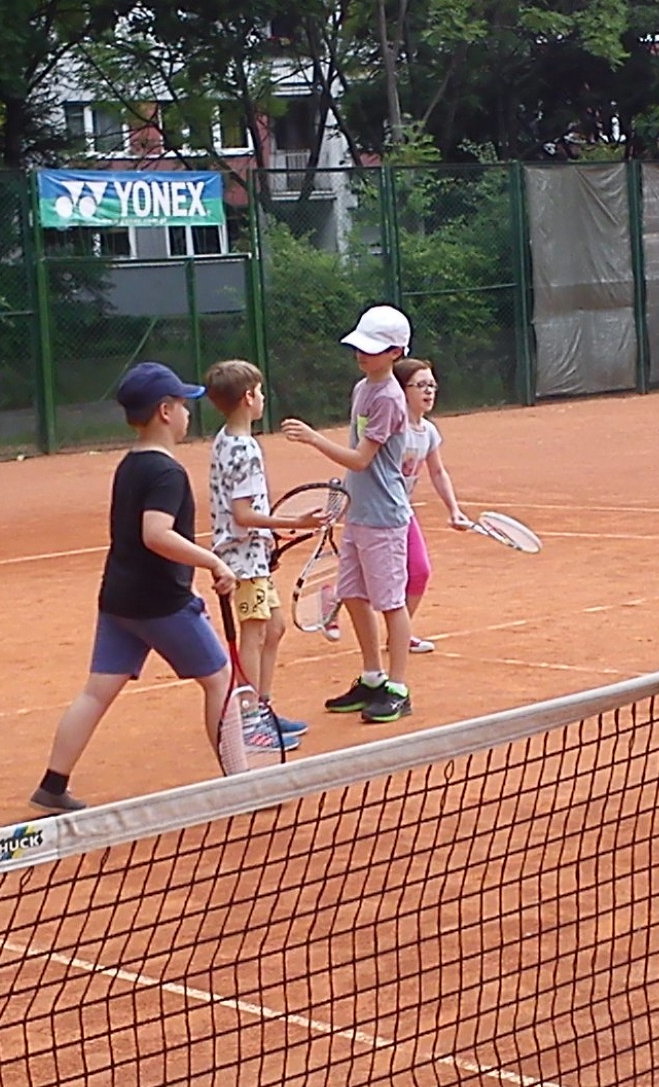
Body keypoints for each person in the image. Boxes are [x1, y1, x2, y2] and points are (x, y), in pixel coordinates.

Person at [31, 363, 245, 811]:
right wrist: (211, 561)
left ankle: (52, 785)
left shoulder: (129, 465)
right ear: (165, 411)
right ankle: (241, 784)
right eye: (182, 404)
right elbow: (156, 534)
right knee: (220, 681)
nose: (188, 412)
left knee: (96, 692)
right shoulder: (167, 473)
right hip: (160, 604)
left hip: (119, 599)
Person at [282, 304, 417, 723]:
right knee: (354, 596)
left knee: (390, 603)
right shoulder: (362, 388)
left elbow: (361, 458)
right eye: (360, 346)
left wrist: (313, 439)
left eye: (372, 348)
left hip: (385, 517)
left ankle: (398, 688)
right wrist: (342, 499)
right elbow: (356, 462)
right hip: (359, 513)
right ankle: (373, 677)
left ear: (395, 352)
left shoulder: (389, 398)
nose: (362, 354)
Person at [203, 358, 323, 752]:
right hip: (242, 560)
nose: (263, 398)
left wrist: (267, 539)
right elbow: (243, 514)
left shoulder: (225, 439)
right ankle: (251, 723)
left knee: (274, 628)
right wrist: (295, 522)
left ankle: (262, 708)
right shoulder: (246, 450)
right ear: (248, 397)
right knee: (254, 635)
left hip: (249, 555)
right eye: (259, 392)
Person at [392, 357, 473, 654]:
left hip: (403, 511)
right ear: (401, 390)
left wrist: (454, 510)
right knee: (378, 578)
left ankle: (399, 634)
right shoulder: (392, 428)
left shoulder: (428, 431)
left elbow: (438, 472)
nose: (428, 391)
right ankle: (335, 595)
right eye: (420, 385)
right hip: (378, 511)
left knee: (419, 571)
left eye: (432, 385)